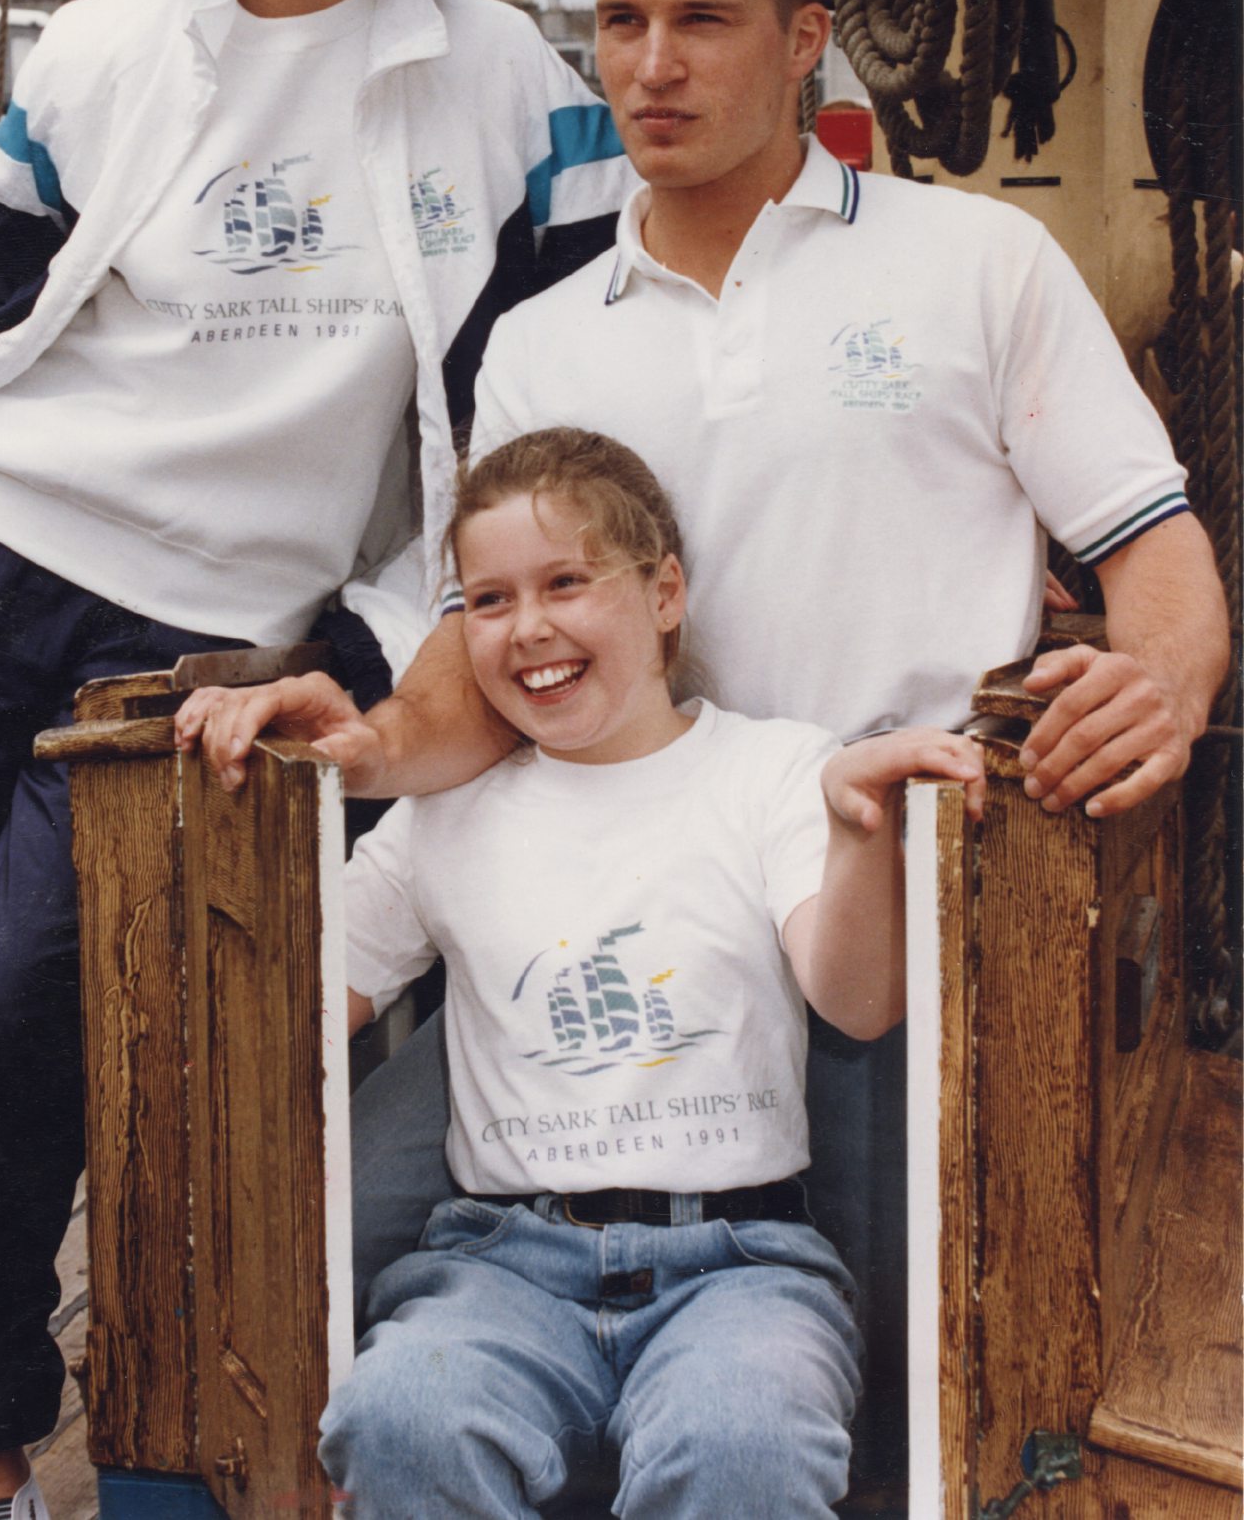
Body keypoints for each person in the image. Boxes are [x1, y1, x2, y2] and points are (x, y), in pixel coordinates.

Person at [181, 0, 1230, 1433]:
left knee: (906, 1391)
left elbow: (1157, 561)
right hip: (608, 903)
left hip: (885, 915)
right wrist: (378, 739)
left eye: (702, 20)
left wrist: (1156, 684)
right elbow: (495, 655)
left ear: (807, 37)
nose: (649, 65)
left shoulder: (978, 266)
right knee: (305, 1239)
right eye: (620, 21)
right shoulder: (536, 342)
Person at [0, 0, 630, 1520]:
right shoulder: (114, 40)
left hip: (212, 621)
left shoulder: (498, 70)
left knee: (22, 998)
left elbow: (537, 381)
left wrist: (395, 624)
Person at [318, 425, 985, 1518]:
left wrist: (861, 826)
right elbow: (304, 1006)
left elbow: (857, 999)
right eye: (486, 600)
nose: (528, 625)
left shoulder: (770, 770)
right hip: (499, 1265)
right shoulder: (444, 817)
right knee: (401, 1409)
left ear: (664, 591)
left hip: (738, 1259)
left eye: (567, 581)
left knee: (745, 1436)